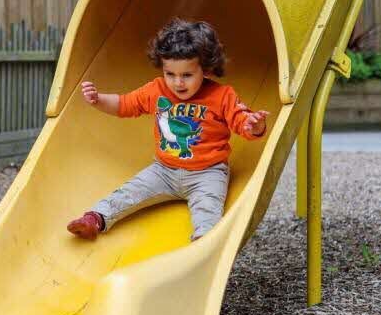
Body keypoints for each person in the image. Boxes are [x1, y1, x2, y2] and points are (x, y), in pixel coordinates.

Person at [66, 18, 269, 242]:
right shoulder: (157, 90)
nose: (178, 83)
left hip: (207, 173)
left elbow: (242, 121)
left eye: (187, 75)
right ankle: (95, 219)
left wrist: (254, 125)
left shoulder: (222, 95)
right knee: (130, 192)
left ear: (206, 70)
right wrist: (98, 100)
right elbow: (125, 104)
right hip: (164, 170)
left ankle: (204, 242)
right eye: (170, 74)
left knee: (208, 209)